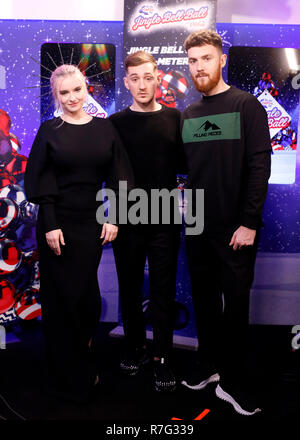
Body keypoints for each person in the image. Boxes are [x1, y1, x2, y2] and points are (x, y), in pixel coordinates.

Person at [24, 64, 133, 403]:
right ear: (57, 96)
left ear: (86, 89)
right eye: (64, 93)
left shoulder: (105, 129)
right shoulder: (49, 130)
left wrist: (114, 217)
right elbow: (38, 181)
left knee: (85, 297)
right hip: (56, 225)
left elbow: (120, 176)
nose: (71, 97)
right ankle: (63, 368)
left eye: (76, 90)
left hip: (91, 224)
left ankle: (83, 356)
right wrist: (52, 223)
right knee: (59, 298)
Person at [180, 30, 271, 415]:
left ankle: (234, 382)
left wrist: (250, 221)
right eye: (193, 60)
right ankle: (210, 367)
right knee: (203, 301)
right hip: (198, 225)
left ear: (221, 60)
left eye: (206, 58)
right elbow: (188, 169)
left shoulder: (246, 105)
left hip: (236, 229)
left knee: (234, 305)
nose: (199, 66)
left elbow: (259, 166)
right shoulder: (190, 113)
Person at [109, 51, 185, 392]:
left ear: (158, 78)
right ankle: (136, 348)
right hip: (126, 215)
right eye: (135, 78)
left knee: (162, 290)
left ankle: (163, 357)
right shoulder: (114, 123)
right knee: (128, 286)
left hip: (166, 214)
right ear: (126, 82)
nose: (142, 84)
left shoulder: (175, 119)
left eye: (147, 77)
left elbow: (190, 168)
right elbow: (106, 172)